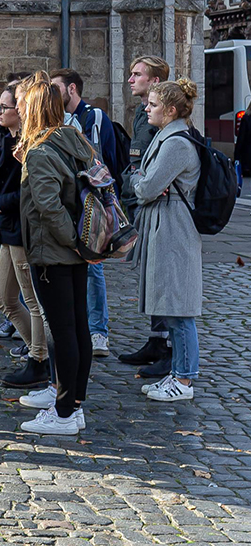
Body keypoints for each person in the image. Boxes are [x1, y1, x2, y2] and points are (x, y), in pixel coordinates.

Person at [17, 73, 94, 435]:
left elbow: (48, 205)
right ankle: (73, 403)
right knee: (77, 327)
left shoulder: (41, 150)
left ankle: (65, 411)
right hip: (74, 249)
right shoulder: (73, 139)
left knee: (64, 331)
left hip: (55, 252)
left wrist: (73, 241)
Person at [130, 79, 202, 402]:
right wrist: (143, 182)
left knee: (179, 309)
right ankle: (177, 373)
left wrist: (139, 182)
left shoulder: (176, 144)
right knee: (171, 307)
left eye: (154, 105)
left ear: (171, 111)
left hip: (174, 228)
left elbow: (145, 188)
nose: (147, 108)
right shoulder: (166, 137)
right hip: (165, 225)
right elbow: (146, 184)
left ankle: (185, 380)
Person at [51, 68, 121, 359]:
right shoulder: (56, 118)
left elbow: (100, 157)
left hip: (89, 198)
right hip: (67, 199)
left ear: (72, 89)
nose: (52, 94)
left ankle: (98, 331)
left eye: (56, 88)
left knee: (93, 267)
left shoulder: (92, 116)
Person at [0, 81, 49, 388]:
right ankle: (42, 353)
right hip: (8, 228)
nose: (0, 110)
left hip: (22, 228)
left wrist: (5, 201)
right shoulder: (6, 138)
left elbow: (32, 188)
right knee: (4, 299)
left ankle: (40, 359)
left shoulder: (31, 143)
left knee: (32, 300)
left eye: (7, 106)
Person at [119, 55, 173, 377]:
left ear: (155, 82)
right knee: (149, 276)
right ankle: (156, 339)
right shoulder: (142, 113)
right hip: (137, 199)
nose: (130, 79)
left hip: (151, 201)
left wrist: (137, 182)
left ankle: (167, 348)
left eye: (137, 74)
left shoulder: (160, 117)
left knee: (162, 278)